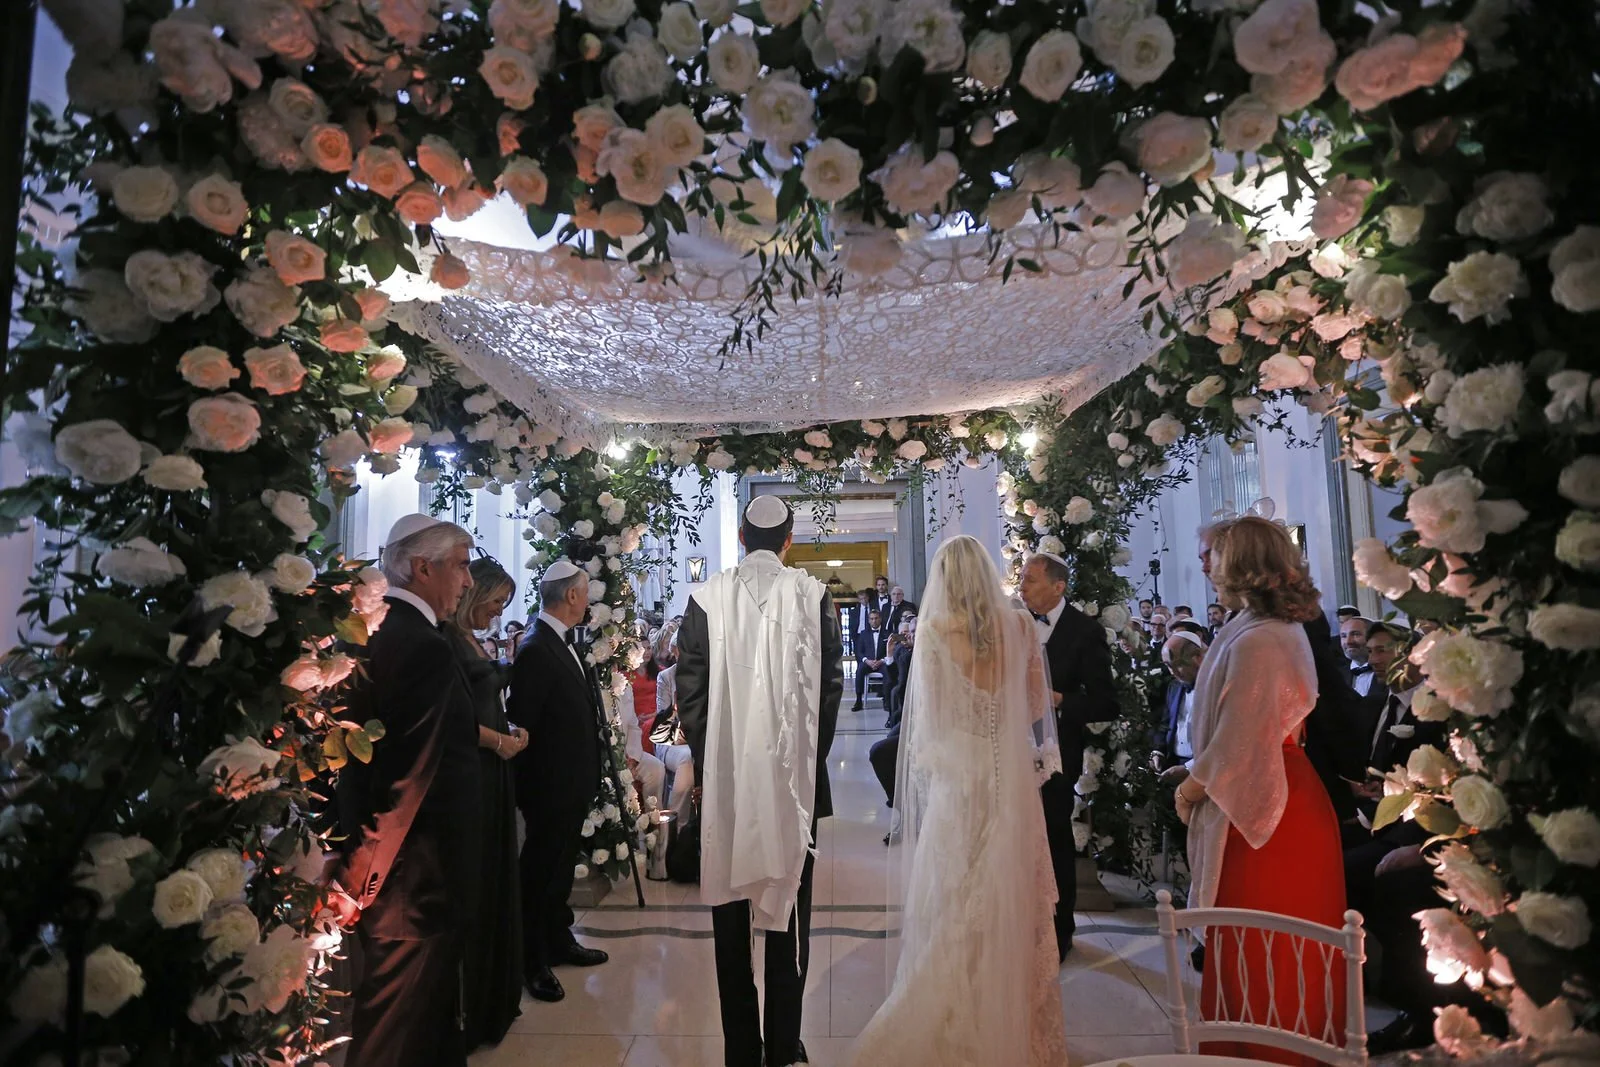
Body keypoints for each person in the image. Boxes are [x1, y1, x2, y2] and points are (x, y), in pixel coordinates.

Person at [846, 536, 1067, 1067]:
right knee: (1011, 896)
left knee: (953, 900)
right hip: (1009, 779)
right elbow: (1035, 704)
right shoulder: (1018, 627)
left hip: (959, 781)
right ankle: (1010, 1020)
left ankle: (954, 1016)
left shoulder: (934, 633)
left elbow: (931, 719)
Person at [677, 496, 843, 1067]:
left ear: (742, 539)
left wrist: (714, 766)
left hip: (726, 786)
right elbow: (829, 693)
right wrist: (799, 766)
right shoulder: (816, 596)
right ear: (789, 538)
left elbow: (690, 694)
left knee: (730, 919)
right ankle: (782, 1046)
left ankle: (741, 1049)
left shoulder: (704, 597)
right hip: (794, 788)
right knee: (789, 913)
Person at [1175, 516, 1346, 1065]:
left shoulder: (1266, 636)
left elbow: (1240, 739)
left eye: (1212, 553)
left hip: (1271, 809)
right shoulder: (1253, 625)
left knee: (1268, 945)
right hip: (1267, 791)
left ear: (1242, 560)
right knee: (1244, 944)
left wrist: (1191, 789)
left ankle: (1273, 1054)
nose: (1204, 563)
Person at [327, 515, 480, 1067]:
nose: (467, 582)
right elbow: (404, 778)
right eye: (461, 566)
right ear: (423, 567)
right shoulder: (420, 645)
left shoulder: (379, 631)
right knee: (393, 1033)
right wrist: (358, 880)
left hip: (403, 875)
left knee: (427, 1029)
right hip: (413, 881)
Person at [506, 559, 610, 1004]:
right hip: (550, 786)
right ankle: (532, 959)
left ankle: (557, 938)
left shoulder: (558, 640)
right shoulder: (536, 646)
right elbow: (523, 724)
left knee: (560, 868)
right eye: (585, 593)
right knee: (541, 873)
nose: (588, 602)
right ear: (571, 596)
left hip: (571, 782)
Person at [443, 557, 527, 1050]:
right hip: (474, 768)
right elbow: (454, 715)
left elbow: (485, 701)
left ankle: (496, 993)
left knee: (499, 871)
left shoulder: (472, 638)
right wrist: (497, 741)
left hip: (495, 764)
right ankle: (473, 1004)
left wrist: (506, 731)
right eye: (495, 603)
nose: (498, 614)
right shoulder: (449, 640)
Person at [1018, 551, 1118, 960]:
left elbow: (1106, 704)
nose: (1021, 587)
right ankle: (1023, 922)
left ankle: (1060, 930)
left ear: (1058, 587)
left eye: (1030, 581)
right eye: (1021, 579)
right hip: (1013, 749)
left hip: (1057, 754)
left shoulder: (1084, 631)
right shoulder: (1015, 623)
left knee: (1055, 838)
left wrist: (1057, 699)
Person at [1155, 630, 1207, 776]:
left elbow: (1222, 741)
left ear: (1198, 657)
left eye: (1177, 664)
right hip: (1174, 762)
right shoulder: (1174, 686)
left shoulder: (1215, 688)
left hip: (1205, 769)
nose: (1172, 672)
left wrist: (1189, 768)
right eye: (1168, 666)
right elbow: (1165, 723)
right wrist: (1158, 751)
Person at [852, 609, 891, 712]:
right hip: (868, 663)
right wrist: (867, 661)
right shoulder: (863, 634)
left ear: (880, 619)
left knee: (888, 671)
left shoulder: (887, 634)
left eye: (876, 618)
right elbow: (859, 651)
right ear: (868, 620)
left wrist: (882, 660)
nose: (874, 621)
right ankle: (858, 700)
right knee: (859, 670)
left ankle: (886, 700)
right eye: (872, 619)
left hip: (882, 662)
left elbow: (891, 651)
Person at [1340, 615, 1373, 685]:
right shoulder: (1337, 676)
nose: (1348, 642)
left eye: (1356, 634)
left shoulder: (1389, 672)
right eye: (1343, 636)